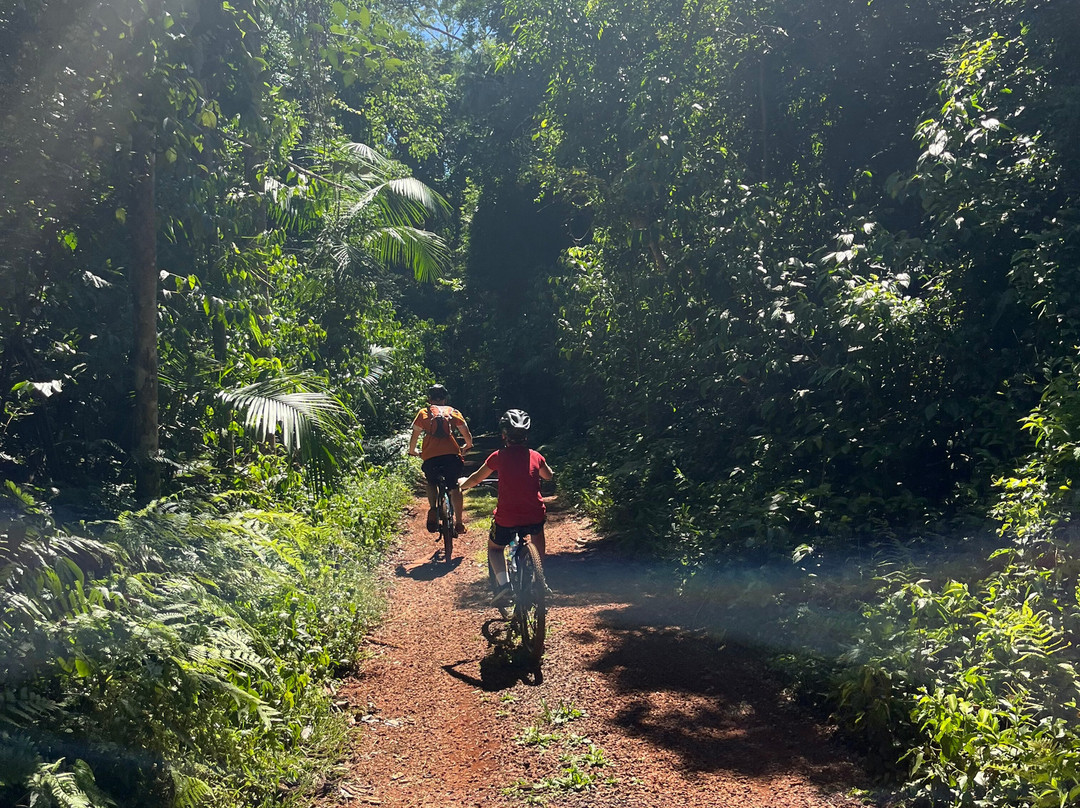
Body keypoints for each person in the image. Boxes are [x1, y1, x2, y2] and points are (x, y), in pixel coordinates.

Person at [458, 409, 553, 606]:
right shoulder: (535, 456)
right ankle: (539, 578)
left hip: (507, 517)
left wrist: (463, 485)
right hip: (534, 514)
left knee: (494, 548)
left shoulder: (498, 456)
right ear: (526, 436)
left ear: (504, 435)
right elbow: (548, 476)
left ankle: (504, 586)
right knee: (538, 533)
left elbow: (476, 477)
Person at [408, 384, 473, 535]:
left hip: (430, 456)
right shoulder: (453, 412)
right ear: (445, 398)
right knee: (455, 486)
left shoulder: (423, 413)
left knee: (431, 482)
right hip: (451, 455)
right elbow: (466, 434)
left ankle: (432, 508)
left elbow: (414, 437)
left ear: (429, 399)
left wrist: (413, 451)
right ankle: (459, 522)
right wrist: (466, 446)